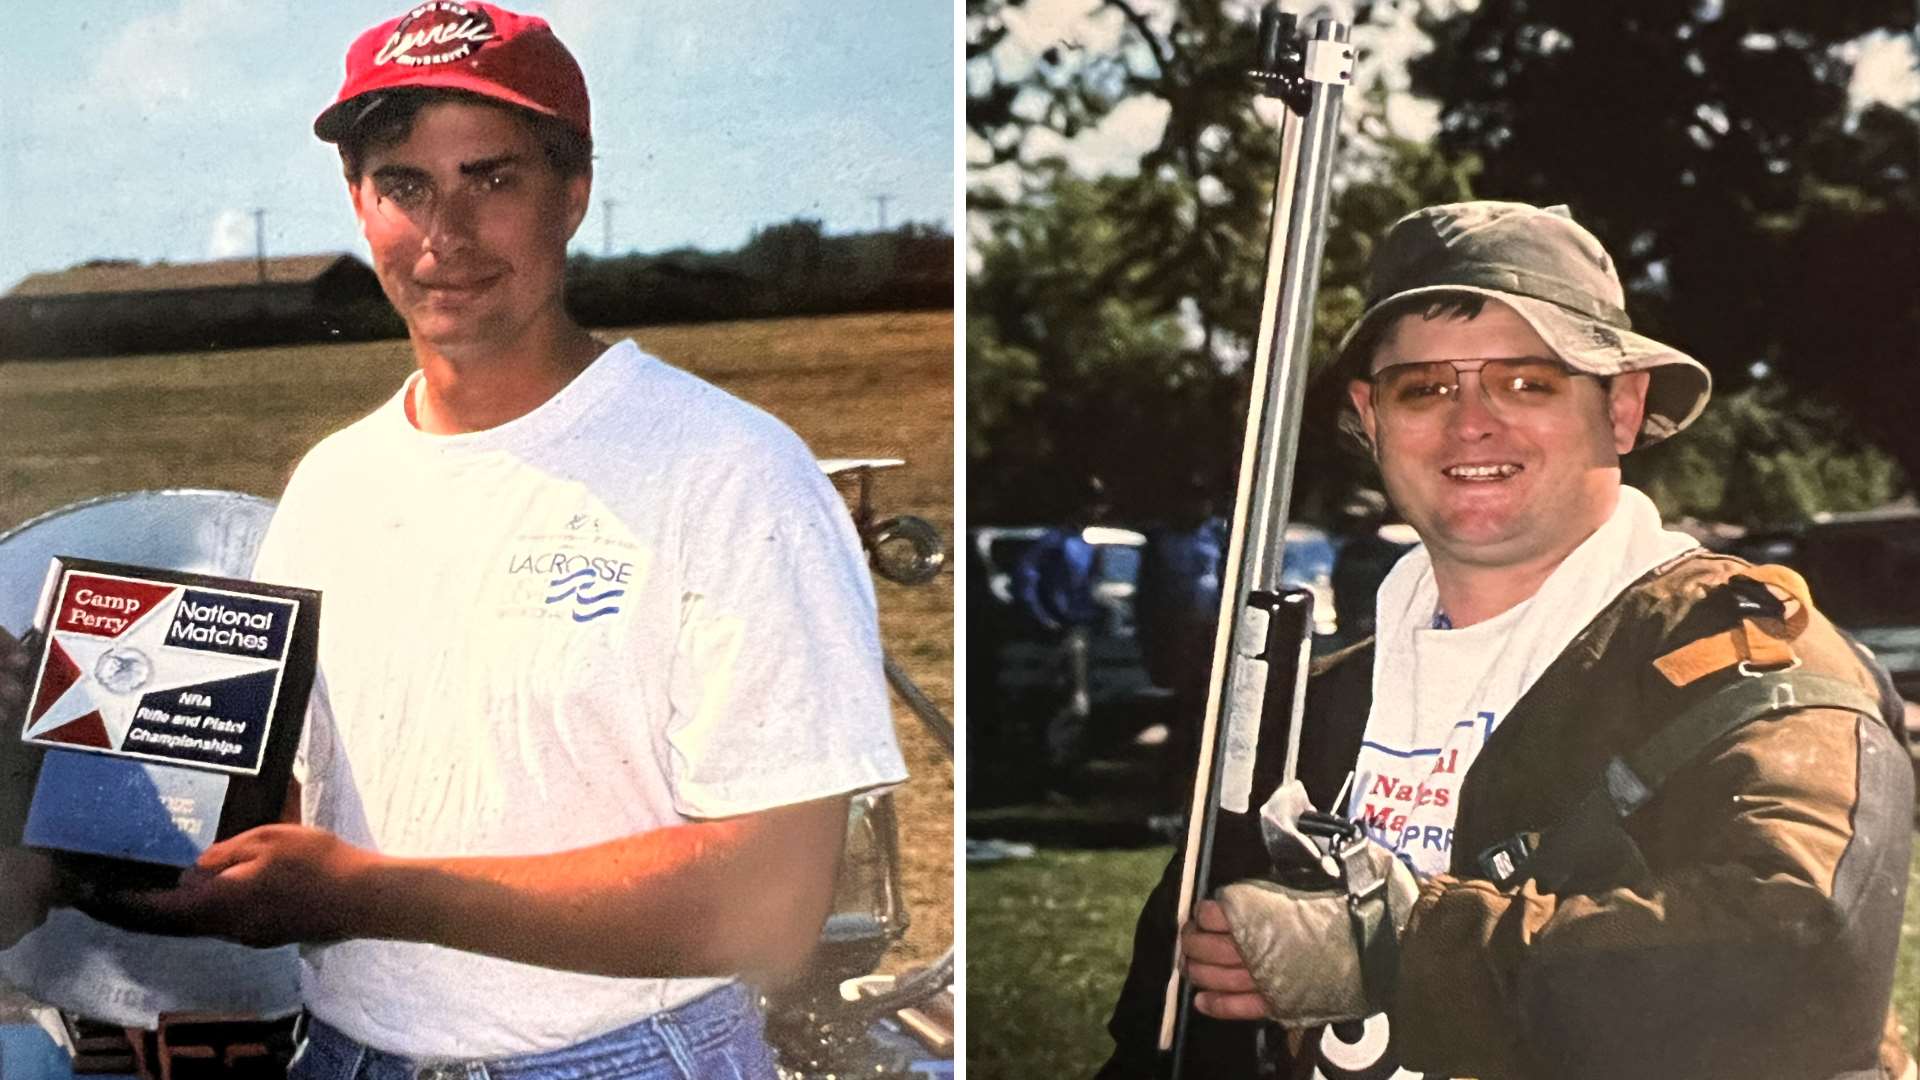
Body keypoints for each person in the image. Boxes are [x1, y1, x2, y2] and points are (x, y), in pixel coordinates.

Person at [2, 4, 906, 1077]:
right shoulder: (336, 483)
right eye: (405, 186)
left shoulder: (731, 470)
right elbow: (274, 828)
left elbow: (768, 907)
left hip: (623, 1059)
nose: (446, 236)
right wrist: (66, 751)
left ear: (572, 194)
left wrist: (366, 894)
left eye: (492, 178)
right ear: (357, 201)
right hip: (349, 1056)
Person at [1098, 201, 1912, 1080]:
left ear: (1624, 408)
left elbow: (1803, 958)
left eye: (1528, 382)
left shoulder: (1734, 662)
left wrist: (1391, 951)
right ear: (1370, 417)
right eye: (1426, 388)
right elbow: (1168, 1033)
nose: (1472, 422)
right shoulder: (1306, 712)